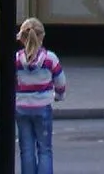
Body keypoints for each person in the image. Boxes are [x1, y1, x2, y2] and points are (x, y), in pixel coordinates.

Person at [13, 17, 65, 174]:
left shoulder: (15, 59)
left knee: (26, 150)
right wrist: (58, 96)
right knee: (44, 150)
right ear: (42, 36)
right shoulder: (50, 59)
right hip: (42, 107)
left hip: (21, 107)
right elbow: (60, 83)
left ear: (22, 38)